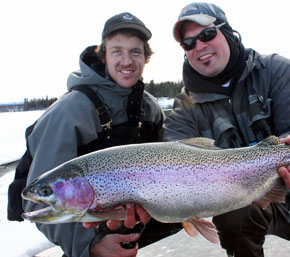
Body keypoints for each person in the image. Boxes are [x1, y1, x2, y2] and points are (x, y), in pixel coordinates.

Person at [164, 2, 290, 257]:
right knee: (235, 217)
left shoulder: (277, 70)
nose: (199, 46)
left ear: (228, 32)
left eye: (207, 34)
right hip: (240, 202)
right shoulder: (183, 108)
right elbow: (171, 161)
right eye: (188, 43)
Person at [23, 12, 181, 257]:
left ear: (146, 58)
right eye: (117, 51)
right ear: (103, 55)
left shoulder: (149, 108)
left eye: (135, 52)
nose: (127, 61)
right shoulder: (69, 112)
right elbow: (38, 201)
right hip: (86, 237)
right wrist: (90, 246)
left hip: (131, 226)